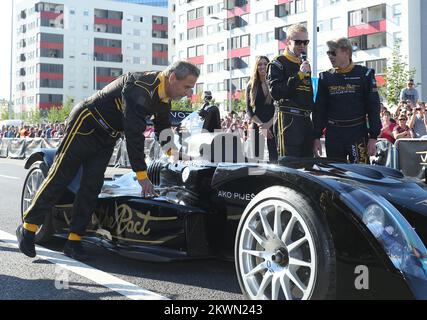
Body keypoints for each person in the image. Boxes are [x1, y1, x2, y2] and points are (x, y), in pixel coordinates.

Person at [16, 60, 199, 261]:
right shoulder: (140, 87)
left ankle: (74, 240)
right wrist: (142, 176)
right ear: (173, 78)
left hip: (108, 135)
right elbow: (134, 134)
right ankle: (28, 228)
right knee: (60, 176)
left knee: (92, 186)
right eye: (187, 86)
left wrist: (177, 155)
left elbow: (162, 128)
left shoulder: (164, 96)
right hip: (86, 124)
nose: (189, 93)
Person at [313, 37, 381, 163]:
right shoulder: (325, 77)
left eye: (333, 53)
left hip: (357, 132)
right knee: (336, 175)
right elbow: (319, 109)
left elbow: (374, 107)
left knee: (360, 174)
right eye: (328, 53)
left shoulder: (364, 74)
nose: (330, 56)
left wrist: (373, 137)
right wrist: (316, 136)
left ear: (346, 52)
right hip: (334, 134)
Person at [267, 24, 314, 158]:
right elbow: (276, 92)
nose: (302, 46)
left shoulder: (304, 63)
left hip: (305, 120)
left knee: (308, 165)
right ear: (288, 41)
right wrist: (299, 75)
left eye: (306, 42)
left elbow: (307, 93)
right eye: (298, 42)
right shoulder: (278, 62)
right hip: (288, 119)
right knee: (289, 165)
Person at [246, 55, 278, 162]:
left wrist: (268, 125)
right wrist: (262, 126)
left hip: (273, 124)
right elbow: (249, 110)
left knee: (275, 158)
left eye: (265, 64)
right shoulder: (251, 85)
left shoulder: (275, 83)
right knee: (256, 160)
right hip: (257, 125)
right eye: (259, 64)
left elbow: (279, 108)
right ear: (256, 67)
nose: (262, 66)